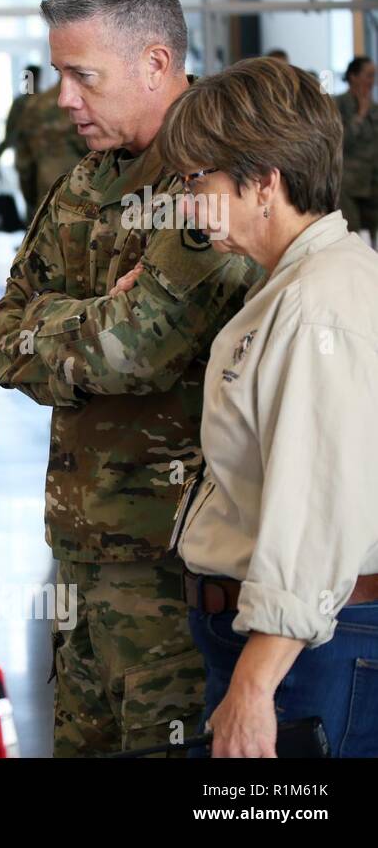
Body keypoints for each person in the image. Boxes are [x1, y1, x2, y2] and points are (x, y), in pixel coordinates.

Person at [0, 0, 262, 757]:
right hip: (80, 554)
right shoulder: (87, 178)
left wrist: (74, 323)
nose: (64, 97)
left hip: (175, 572)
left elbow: (129, 351)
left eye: (82, 76)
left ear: (154, 64)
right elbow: (3, 336)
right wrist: (97, 314)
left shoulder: (216, 172)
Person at [156, 58, 378, 758]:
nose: (188, 204)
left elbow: (317, 510)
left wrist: (254, 685)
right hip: (285, 646)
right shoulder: (295, 287)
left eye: (199, 181)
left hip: (306, 654)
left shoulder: (318, 306)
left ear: (264, 182)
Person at [12, 84, 88, 220]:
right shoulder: (89, 103)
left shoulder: (34, 105)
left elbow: (24, 165)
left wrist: (31, 199)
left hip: (46, 199)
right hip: (87, 201)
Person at [334, 56, 378, 241]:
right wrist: (359, 116)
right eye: (368, 75)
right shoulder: (337, 104)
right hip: (347, 184)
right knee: (350, 234)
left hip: (372, 182)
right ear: (353, 76)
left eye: (373, 76)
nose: (372, 81)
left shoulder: (375, 108)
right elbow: (338, 141)